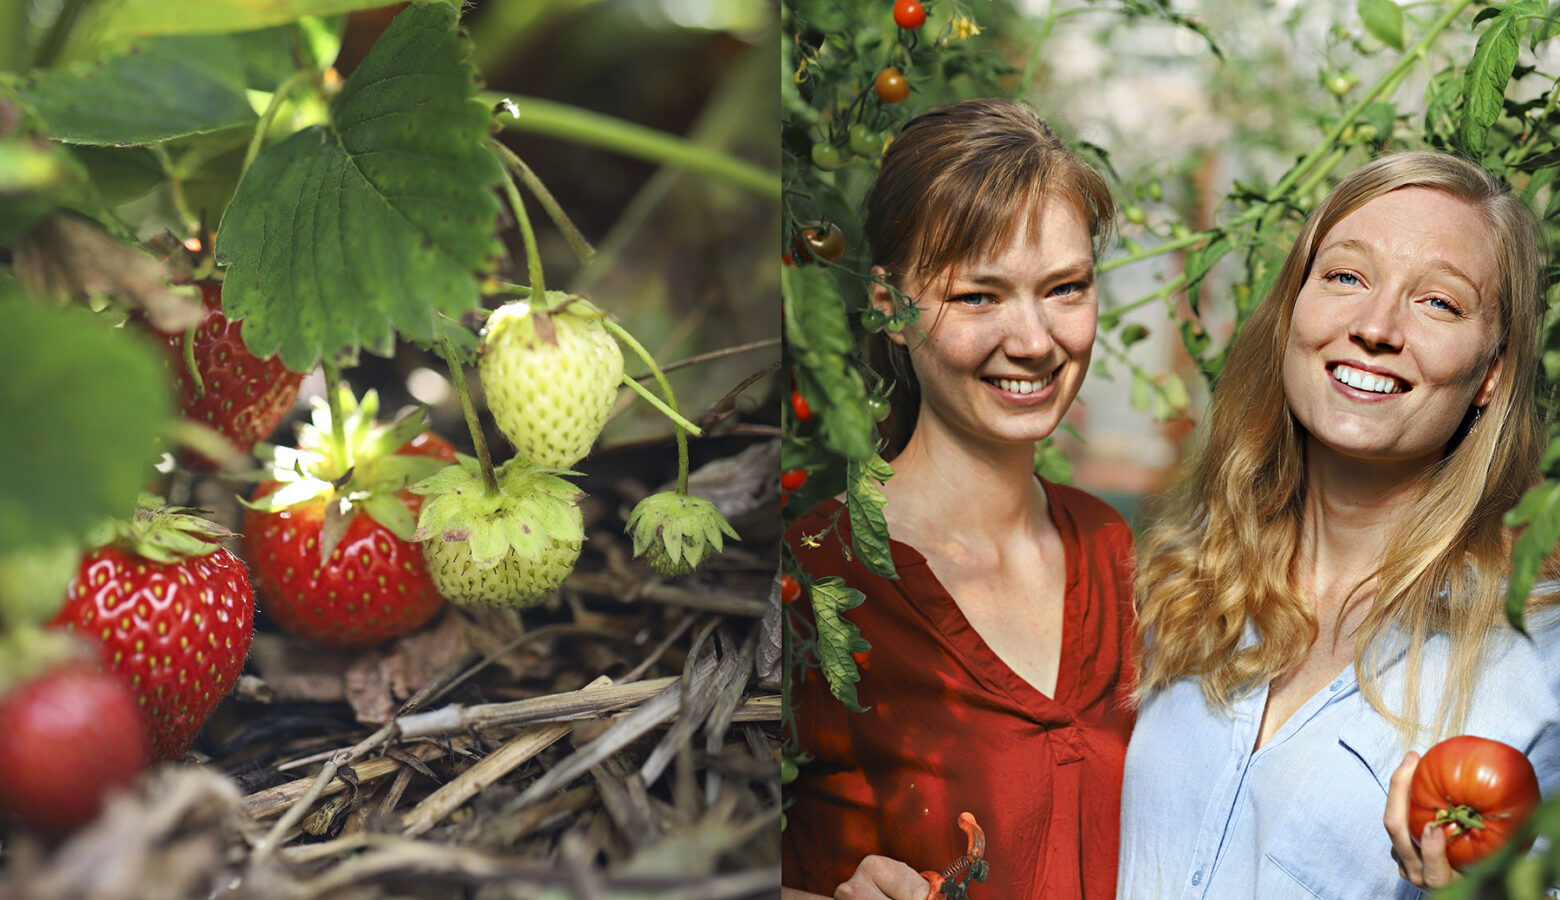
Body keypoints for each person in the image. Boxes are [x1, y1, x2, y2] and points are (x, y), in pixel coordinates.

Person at [1117, 150, 1560, 898]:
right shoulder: (1185, 578)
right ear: (1293, 308)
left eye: (1439, 303)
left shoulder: (1535, 657)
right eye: (1347, 277)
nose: (1376, 326)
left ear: (1490, 373)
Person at [783, 98, 1136, 900]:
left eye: (1065, 288)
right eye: (979, 296)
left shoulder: (1111, 546)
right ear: (888, 306)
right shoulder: (814, 575)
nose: (1035, 340)